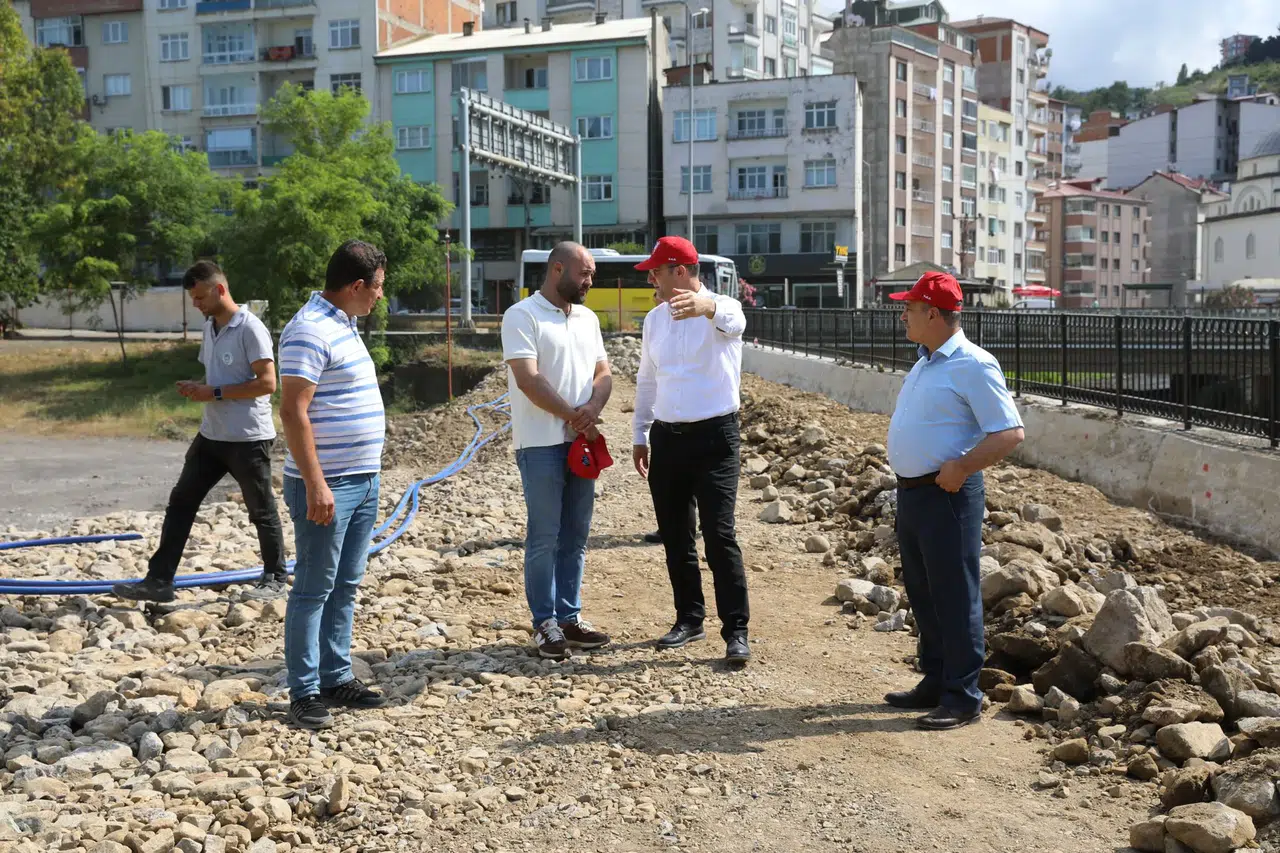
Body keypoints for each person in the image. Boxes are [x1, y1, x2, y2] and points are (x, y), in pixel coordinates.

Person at [884, 271, 1025, 731]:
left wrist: (963, 466)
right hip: (913, 493)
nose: (903, 315)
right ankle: (936, 679)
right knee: (924, 592)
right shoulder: (925, 362)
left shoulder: (973, 364)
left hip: (947, 495)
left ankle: (963, 696)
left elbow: (1009, 432)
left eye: (909, 308)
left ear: (932, 313)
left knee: (954, 594)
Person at [113, 261, 286, 604]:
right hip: (212, 436)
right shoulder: (210, 327)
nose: (196, 304)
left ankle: (276, 578)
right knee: (181, 502)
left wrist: (215, 392)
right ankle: (159, 581)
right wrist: (200, 388)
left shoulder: (251, 328)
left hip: (247, 438)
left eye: (200, 297)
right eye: (193, 298)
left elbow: (268, 383)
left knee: (261, 509)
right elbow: (218, 377)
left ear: (220, 289)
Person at [277, 240, 389, 730]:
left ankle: (336, 675)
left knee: (345, 583)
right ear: (356, 285)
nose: (380, 296)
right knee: (313, 588)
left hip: (363, 480)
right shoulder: (308, 329)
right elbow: (292, 411)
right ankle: (304, 692)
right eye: (377, 287)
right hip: (329, 485)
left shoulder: (345, 323)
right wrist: (316, 484)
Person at [632, 236, 750, 665]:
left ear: (679, 271)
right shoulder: (655, 320)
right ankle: (689, 618)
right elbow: (647, 379)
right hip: (668, 439)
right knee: (676, 535)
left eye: (656, 272)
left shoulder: (723, 308)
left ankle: (736, 631)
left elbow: (736, 322)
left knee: (719, 535)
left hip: (715, 439)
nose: (651, 279)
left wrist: (708, 307)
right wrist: (640, 433)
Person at [502, 241, 613, 660]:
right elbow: (528, 380)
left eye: (592, 275)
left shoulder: (587, 318)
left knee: (576, 536)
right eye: (585, 274)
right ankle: (544, 622)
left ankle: (569, 617)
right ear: (558, 270)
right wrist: (573, 415)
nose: (590, 282)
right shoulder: (522, 315)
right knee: (545, 536)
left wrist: (591, 409)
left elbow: (603, 372)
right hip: (541, 444)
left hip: (579, 443)